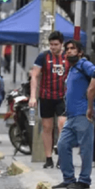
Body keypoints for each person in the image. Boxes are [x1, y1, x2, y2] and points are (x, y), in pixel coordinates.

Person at [52, 40, 95, 189]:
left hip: (84, 113)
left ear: (80, 52)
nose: (69, 51)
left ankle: (84, 180)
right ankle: (68, 178)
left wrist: (90, 100)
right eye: (67, 49)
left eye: (73, 49)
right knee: (62, 144)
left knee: (85, 149)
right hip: (71, 116)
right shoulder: (71, 69)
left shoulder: (84, 64)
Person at [29, 31, 68, 169]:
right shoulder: (43, 57)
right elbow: (34, 75)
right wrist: (33, 96)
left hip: (63, 96)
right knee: (47, 127)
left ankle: (62, 155)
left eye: (56, 44)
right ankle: (48, 158)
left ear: (61, 44)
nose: (53, 47)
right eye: (51, 44)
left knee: (62, 124)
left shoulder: (67, 57)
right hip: (46, 96)